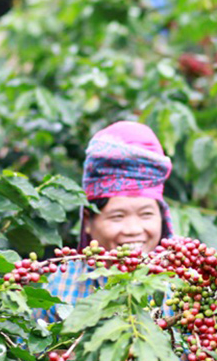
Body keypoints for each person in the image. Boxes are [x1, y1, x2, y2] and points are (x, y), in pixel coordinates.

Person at [36, 121, 174, 322]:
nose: (134, 229)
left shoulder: (186, 284)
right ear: (88, 221)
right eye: (118, 216)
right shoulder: (59, 287)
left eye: (146, 214)